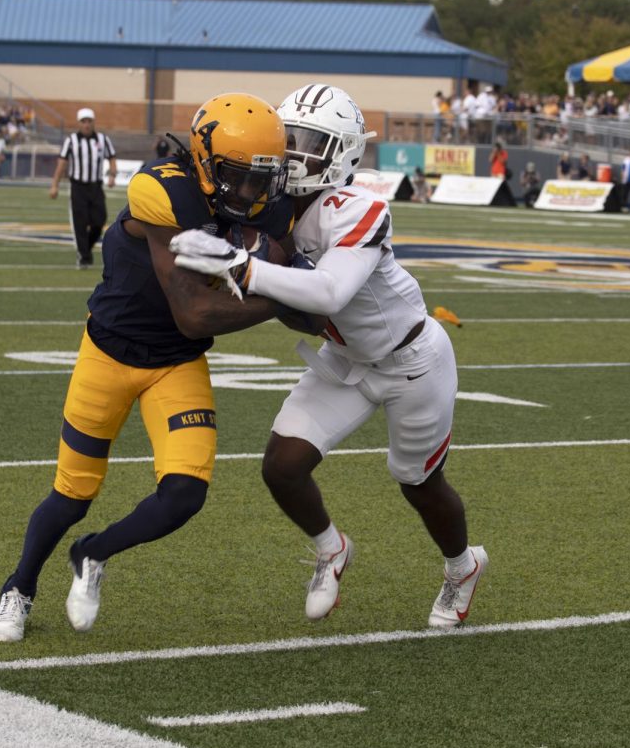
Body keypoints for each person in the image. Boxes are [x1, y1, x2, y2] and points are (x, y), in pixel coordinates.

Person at [172, 84, 488, 629]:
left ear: (342, 153)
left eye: (307, 142)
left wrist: (239, 267)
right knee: (282, 467)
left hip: (412, 361)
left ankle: (462, 567)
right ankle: (330, 548)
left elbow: (328, 294)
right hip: (344, 359)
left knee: (418, 482)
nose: (292, 152)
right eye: (287, 138)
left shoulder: (357, 207)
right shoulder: (269, 204)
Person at [0, 93, 299, 643]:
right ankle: (19, 587)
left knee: (185, 493)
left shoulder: (268, 205)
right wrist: (289, 298)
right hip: (110, 353)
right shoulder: (161, 188)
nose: (250, 192)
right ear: (203, 159)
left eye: (261, 178)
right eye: (238, 176)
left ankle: (93, 554)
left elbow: (307, 256)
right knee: (71, 495)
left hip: (175, 365)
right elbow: (194, 312)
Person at [50, 109, 118, 269]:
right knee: (80, 223)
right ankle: (84, 257)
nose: (87, 125)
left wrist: (112, 175)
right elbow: (62, 163)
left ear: (93, 122)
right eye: (83, 121)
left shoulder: (103, 139)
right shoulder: (71, 140)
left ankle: (85, 249)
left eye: (89, 121)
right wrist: (55, 185)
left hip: (96, 186)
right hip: (78, 187)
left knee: (99, 220)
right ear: (79, 123)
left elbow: (112, 157)